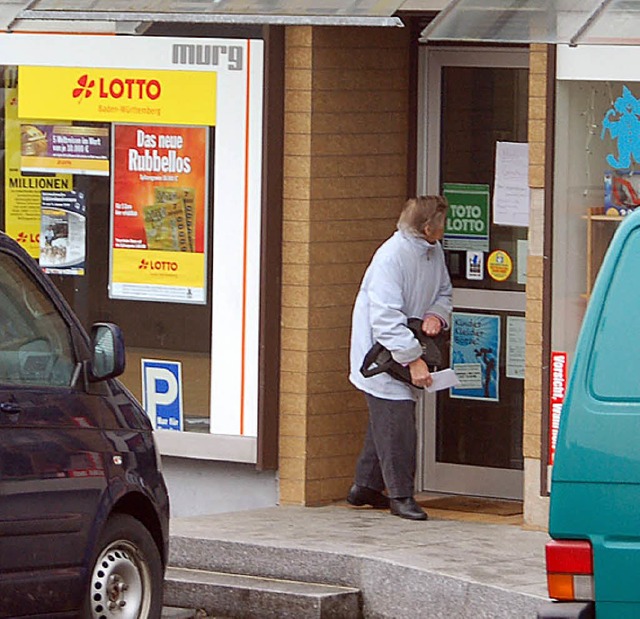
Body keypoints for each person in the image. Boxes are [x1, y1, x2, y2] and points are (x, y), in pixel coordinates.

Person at [347, 195, 452, 521]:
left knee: (387, 421)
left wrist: (437, 314)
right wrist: (413, 359)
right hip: (379, 354)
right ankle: (401, 495)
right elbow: (385, 319)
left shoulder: (433, 252)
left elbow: (443, 292)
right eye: (442, 221)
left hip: (405, 344)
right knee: (397, 423)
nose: (445, 227)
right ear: (427, 227)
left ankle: (364, 487)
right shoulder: (391, 257)